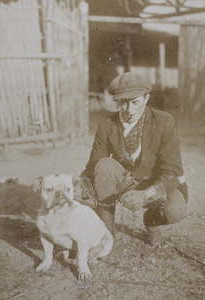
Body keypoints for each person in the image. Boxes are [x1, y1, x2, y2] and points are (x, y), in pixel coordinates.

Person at [80, 72, 188, 239]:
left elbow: (173, 171)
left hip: (154, 181)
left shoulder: (164, 121)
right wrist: (78, 187)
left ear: (146, 98)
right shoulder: (107, 124)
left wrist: (145, 196)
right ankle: (106, 235)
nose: (129, 110)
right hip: (124, 182)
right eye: (123, 103)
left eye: (135, 102)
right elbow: (94, 165)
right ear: (116, 102)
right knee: (103, 166)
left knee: (175, 210)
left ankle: (151, 223)